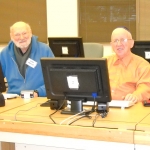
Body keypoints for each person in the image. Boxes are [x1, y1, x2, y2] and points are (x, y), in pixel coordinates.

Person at [0, 21, 54, 97]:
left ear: (30, 33)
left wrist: (38, 92)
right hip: (14, 98)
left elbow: (54, 79)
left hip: (38, 97)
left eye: (24, 33)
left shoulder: (44, 50)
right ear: (11, 36)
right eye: (17, 35)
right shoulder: (5, 53)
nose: (21, 38)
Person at [105, 26, 150, 103]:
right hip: (105, 107)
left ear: (131, 43)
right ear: (111, 45)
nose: (119, 44)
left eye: (123, 40)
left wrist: (135, 96)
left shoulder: (142, 64)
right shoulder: (104, 62)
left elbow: (145, 87)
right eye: (115, 41)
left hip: (130, 108)